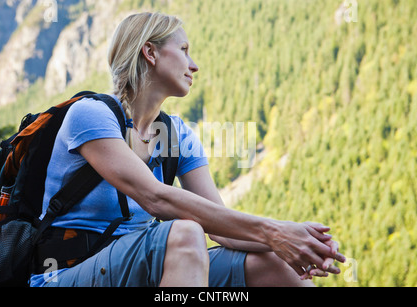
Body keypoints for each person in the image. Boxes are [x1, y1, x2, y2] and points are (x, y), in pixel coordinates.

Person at [29, 12, 345, 287]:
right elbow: (155, 198)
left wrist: (297, 245)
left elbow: (225, 232)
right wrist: (274, 232)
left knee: (275, 267)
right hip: (64, 274)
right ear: (149, 52)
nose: (194, 66)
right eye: (183, 50)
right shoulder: (91, 115)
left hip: (137, 267)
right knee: (185, 234)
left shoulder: (177, 135)